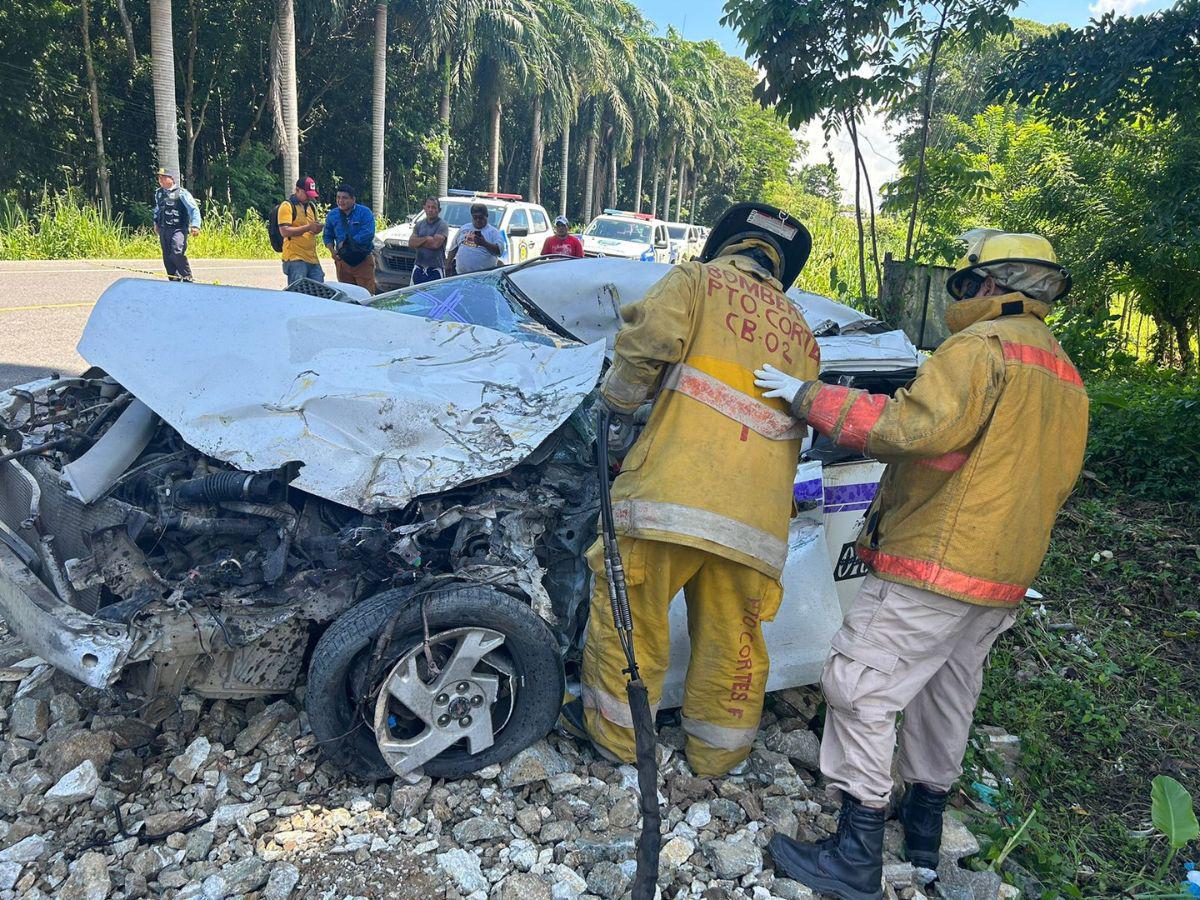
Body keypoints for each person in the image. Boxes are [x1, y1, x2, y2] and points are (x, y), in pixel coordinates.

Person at [757, 230, 1088, 900]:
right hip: (1003, 573)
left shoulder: (981, 348)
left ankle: (855, 853)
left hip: (939, 562)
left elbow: (913, 429)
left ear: (989, 285)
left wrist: (808, 397)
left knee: (860, 683)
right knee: (947, 691)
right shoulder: (1064, 372)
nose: (959, 298)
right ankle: (924, 832)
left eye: (964, 285)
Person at [571, 203, 818, 777]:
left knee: (633, 617)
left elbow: (648, 341)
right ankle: (717, 755)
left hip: (670, 502)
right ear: (780, 265)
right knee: (734, 641)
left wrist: (618, 403)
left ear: (726, 245)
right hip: (756, 525)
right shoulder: (802, 333)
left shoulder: (696, 280)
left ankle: (620, 746)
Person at [323, 184, 377, 293]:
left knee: (366, 294)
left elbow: (368, 233)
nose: (340, 201)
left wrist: (347, 243)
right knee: (346, 294)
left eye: (344, 198)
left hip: (362, 260)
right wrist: (332, 251)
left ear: (353, 199)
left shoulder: (364, 212)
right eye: (338, 197)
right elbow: (327, 235)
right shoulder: (332, 215)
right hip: (343, 261)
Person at [152, 168, 201, 282]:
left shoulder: (182, 193)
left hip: (178, 229)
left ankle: (187, 277)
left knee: (177, 252)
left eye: (164, 177)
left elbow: (193, 209)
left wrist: (195, 225)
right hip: (164, 230)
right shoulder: (159, 193)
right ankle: (174, 280)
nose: (161, 180)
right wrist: (155, 223)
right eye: (159, 178)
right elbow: (157, 209)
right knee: (167, 256)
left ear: (172, 179)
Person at [279, 176, 324, 285]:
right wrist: (308, 227)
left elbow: (311, 230)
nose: (309, 198)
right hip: (295, 258)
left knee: (319, 291)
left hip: (312, 258)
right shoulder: (287, 206)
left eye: (311, 195)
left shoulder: (311, 207)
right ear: (297, 190)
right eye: (307, 194)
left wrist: (317, 228)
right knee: (298, 291)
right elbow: (284, 231)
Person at [446, 203, 506, 274]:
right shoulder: (464, 229)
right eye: (475, 217)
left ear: (486, 216)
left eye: (480, 217)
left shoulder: (493, 232)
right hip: (461, 275)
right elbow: (454, 247)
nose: (478, 220)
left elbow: (499, 252)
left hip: (482, 277)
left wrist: (484, 243)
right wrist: (448, 263)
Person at [408, 197, 449, 284]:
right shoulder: (419, 224)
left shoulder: (442, 225)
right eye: (428, 207)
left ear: (439, 210)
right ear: (424, 208)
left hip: (435, 269)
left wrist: (419, 242)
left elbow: (435, 244)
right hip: (419, 267)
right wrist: (427, 238)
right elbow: (411, 243)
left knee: (435, 296)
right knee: (414, 296)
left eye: (434, 207)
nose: (430, 210)